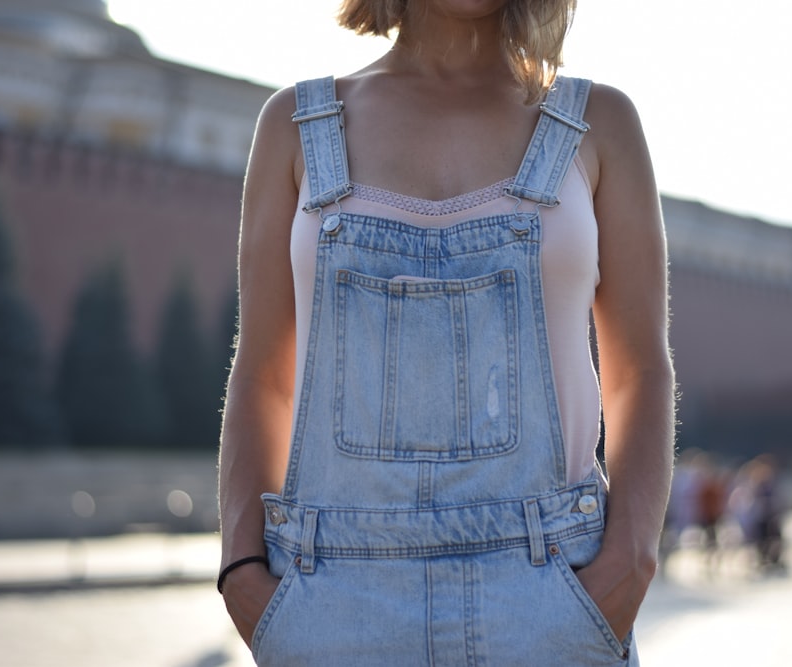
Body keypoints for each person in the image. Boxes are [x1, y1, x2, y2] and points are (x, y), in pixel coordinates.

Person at [217, 1, 675, 664]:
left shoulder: (599, 124)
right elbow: (263, 373)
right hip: (334, 612)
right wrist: (241, 568)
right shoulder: (297, 125)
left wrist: (630, 558)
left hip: (551, 607)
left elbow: (638, 371)